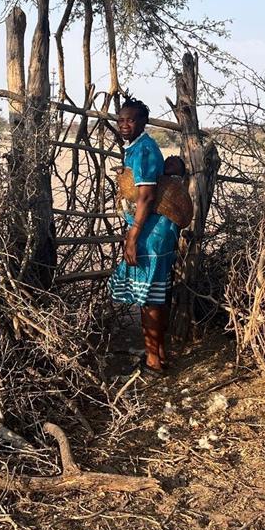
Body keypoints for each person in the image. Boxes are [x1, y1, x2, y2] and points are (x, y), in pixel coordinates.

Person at [108, 98, 179, 375]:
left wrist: (133, 236)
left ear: (143, 122)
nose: (125, 125)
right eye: (121, 120)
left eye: (131, 120)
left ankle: (152, 361)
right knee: (156, 295)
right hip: (152, 231)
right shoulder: (136, 149)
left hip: (151, 233)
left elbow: (147, 197)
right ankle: (159, 353)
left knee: (149, 297)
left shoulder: (145, 150)